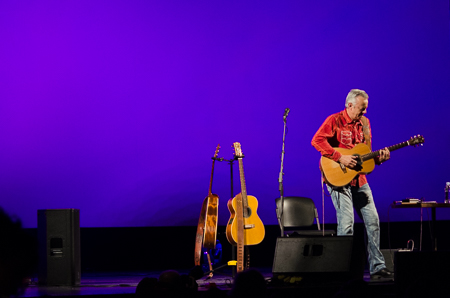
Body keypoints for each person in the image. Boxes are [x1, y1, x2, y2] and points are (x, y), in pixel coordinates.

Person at [311, 89, 392, 280]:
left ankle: (377, 267)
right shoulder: (334, 120)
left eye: (365, 109)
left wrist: (378, 159)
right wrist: (340, 158)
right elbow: (317, 140)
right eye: (361, 109)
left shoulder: (365, 123)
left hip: (359, 179)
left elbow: (364, 153)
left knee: (373, 221)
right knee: (346, 225)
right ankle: (344, 271)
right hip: (337, 179)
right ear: (349, 105)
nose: (364, 113)